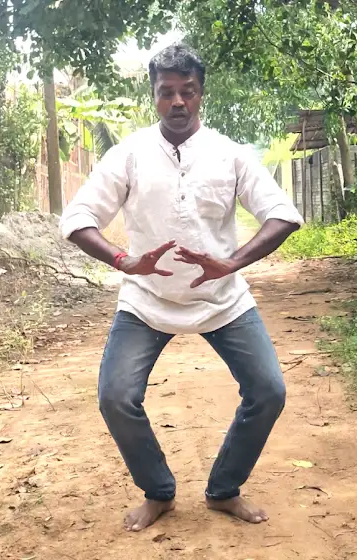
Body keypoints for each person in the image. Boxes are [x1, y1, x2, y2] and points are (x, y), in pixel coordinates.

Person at [60, 43, 304, 532]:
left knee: (268, 391)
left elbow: (282, 214)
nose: (177, 102)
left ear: (201, 94)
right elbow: (78, 217)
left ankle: (224, 490)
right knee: (115, 397)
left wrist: (230, 262)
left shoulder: (229, 154)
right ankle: (158, 492)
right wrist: (125, 261)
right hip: (147, 300)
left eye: (187, 91)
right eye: (166, 92)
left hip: (222, 300)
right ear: (153, 96)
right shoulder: (128, 154)